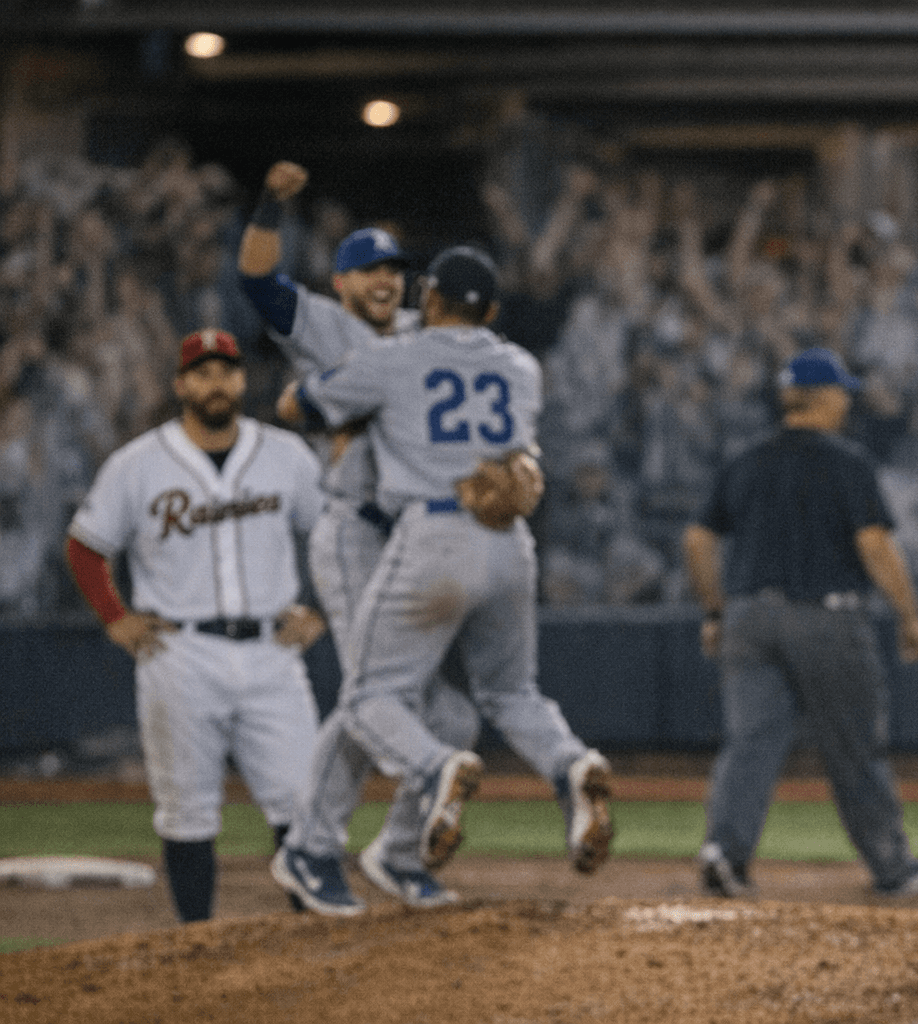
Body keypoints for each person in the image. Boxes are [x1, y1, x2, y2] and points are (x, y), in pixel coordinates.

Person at [271, 245, 614, 916]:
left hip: (430, 533)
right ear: (490, 310)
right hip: (511, 545)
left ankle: (430, 771)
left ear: (427, 300)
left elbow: (296, 406)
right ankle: (569, 764)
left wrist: (356, 390)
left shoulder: (397, 356)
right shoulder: (522, 367)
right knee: (511, 693)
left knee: (371, 695)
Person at [238, 160, 484, 910]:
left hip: (417, 537)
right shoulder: (322, 322)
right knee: (377, 693)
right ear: (342, 283)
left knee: (451, 713)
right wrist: (270, 204)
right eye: (368, 270)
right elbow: (255, 283)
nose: (385, 281)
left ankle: (397, 854)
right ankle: (310, 849)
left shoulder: (425, 332)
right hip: (352, 533)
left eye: (394, 271)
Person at [64, 328, 328, 923]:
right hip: (179, 655)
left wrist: (325, 611)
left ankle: (314, 947)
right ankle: (194, 951)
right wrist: (115, 617)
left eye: (226, 371)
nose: (216, 382)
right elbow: (86, 547)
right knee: (187, 811)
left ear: (241, 380)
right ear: (181, 384)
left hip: (271, 650)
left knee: (303, 804)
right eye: (202, 372)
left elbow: (335, 536)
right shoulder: (138, 464)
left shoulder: (286, 455)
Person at [681, 346, 918, 898]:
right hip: (827, 620)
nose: (846, 404)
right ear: (824, 399)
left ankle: (724, 853)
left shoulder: (746, 458)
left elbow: (697, 540)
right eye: (841, 394)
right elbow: (874, 546)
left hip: (750, 619)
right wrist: (909, 615)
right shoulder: (846, 461)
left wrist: (716, 610)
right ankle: (892, 869)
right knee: (855, 748)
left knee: (749, 745)